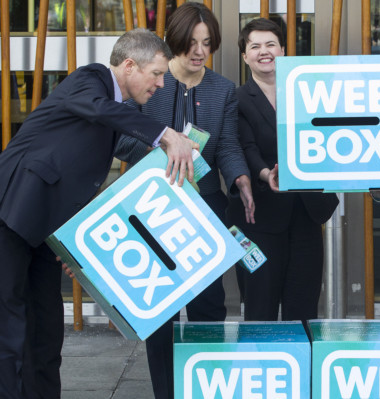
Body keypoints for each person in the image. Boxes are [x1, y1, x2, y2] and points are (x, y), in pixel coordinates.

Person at [0, 28, 196, 399]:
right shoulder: (90, 80)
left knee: (45, 333)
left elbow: (114, 153)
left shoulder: (115, 111)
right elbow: (102, 111)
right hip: (10, 216)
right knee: (9, 333)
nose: (160, 84)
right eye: (156, 74)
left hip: (43, 231)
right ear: (128, 66)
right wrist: (166, 135)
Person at [113, 5, 254, 399]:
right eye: (191, 42)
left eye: (207, 43)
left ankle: (205, 389)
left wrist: (240, 176)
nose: (199, 51)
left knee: (209, 305)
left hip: (204, 208)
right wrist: (165, 145)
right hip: (153, 205)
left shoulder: (222, 88)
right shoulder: (149, 81)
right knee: (162, 311)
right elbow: (121, 139)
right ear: (174, 41)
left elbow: (226, 145)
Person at [227, 18, 339, 322]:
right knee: (259, 306)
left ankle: (302, 369)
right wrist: (266, 174)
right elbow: (244, 147)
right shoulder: (235, 99)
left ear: (283, 50)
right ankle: (259, 367)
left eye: (271, 44)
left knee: (303, 307)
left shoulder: (309, 93)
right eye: (255, 46)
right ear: (245, 56)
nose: (264, 52)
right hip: (258, 217)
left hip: (306, 210)